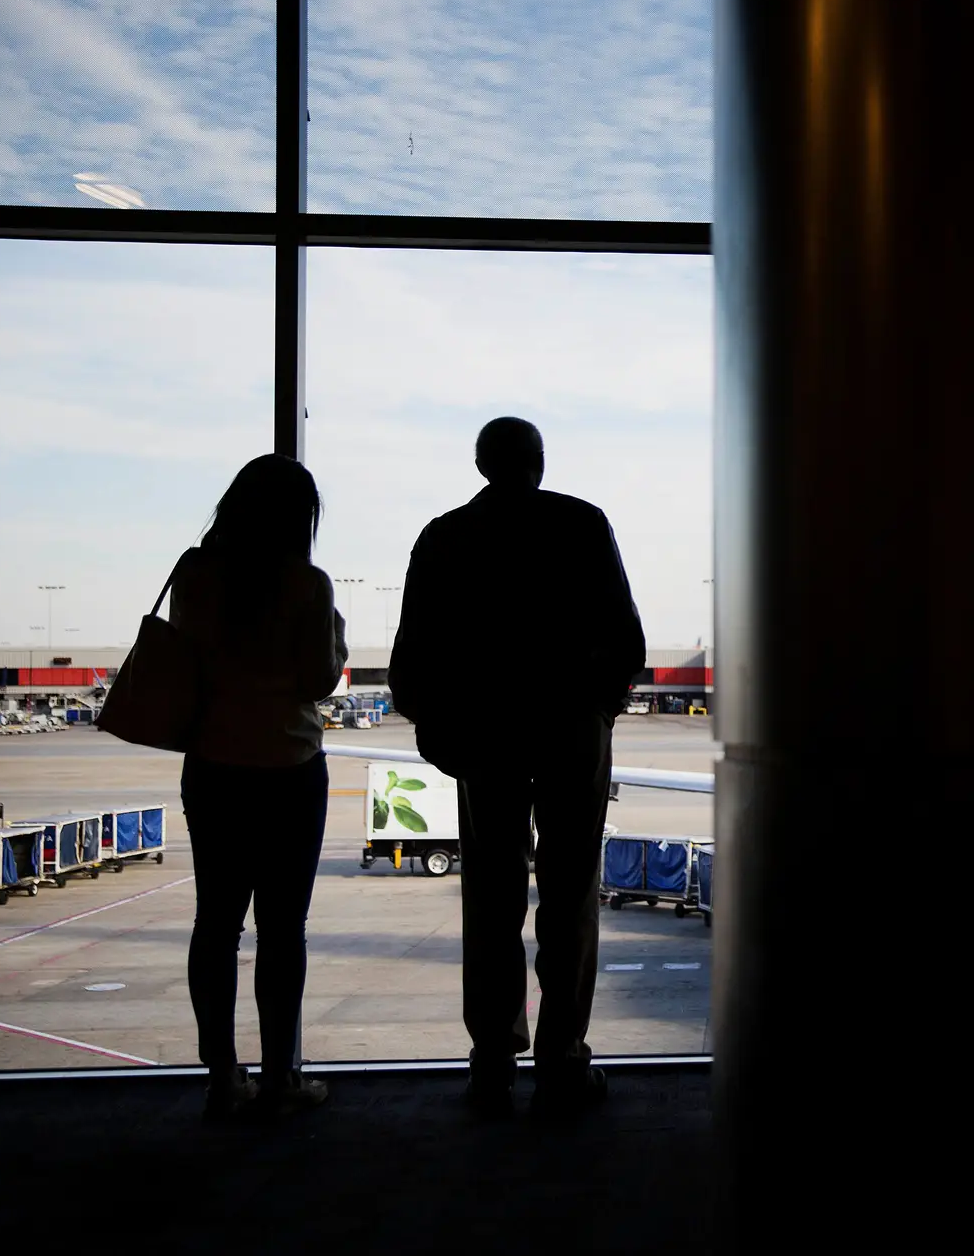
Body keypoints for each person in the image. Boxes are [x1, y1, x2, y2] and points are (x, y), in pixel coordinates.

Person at [389, 417, 646, 1118]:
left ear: (480, 465)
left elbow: (409, 664)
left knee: (492, 901)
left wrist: (443, 733)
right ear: (539, 462)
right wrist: (599, 711)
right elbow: (628, 640)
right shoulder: (583, 523)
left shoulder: (444, 537)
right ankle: (562, 1060)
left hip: (485, 737)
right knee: (570, 897)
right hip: (569, 731)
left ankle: (493, 1063)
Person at [171, 454, 347, 1120]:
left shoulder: (195, 573)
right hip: (288, 768)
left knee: (214, 924)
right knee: (282, 929)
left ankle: (221, 1074)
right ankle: (280, 1076)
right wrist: (335, 638)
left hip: (213, 766)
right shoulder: (307, 583)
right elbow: (319, 680)